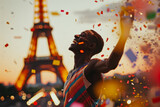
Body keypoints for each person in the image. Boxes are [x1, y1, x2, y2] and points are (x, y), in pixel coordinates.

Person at [63, 5, 134, 107]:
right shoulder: (70, 74)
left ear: (91, 46)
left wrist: (124, 36)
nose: (76, 36)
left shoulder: (91, 66)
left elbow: (110, 64)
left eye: (83, 35)